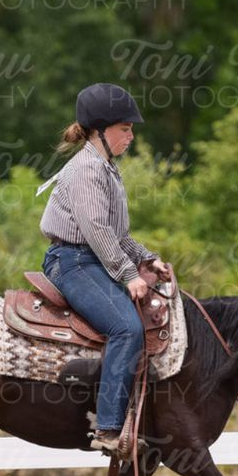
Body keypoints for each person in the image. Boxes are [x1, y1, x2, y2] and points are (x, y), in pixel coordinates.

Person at [38, 83, 171, 453]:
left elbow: (117, 233)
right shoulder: (85, 170)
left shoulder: (106, 168)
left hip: (92, 258)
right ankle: (109, 429)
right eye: (125, 128)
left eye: (130, 129)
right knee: (126, 327)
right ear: (99, 130)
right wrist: (129, 275)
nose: (131, 136)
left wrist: (147, 259)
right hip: (72, 262)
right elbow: (96, 229)